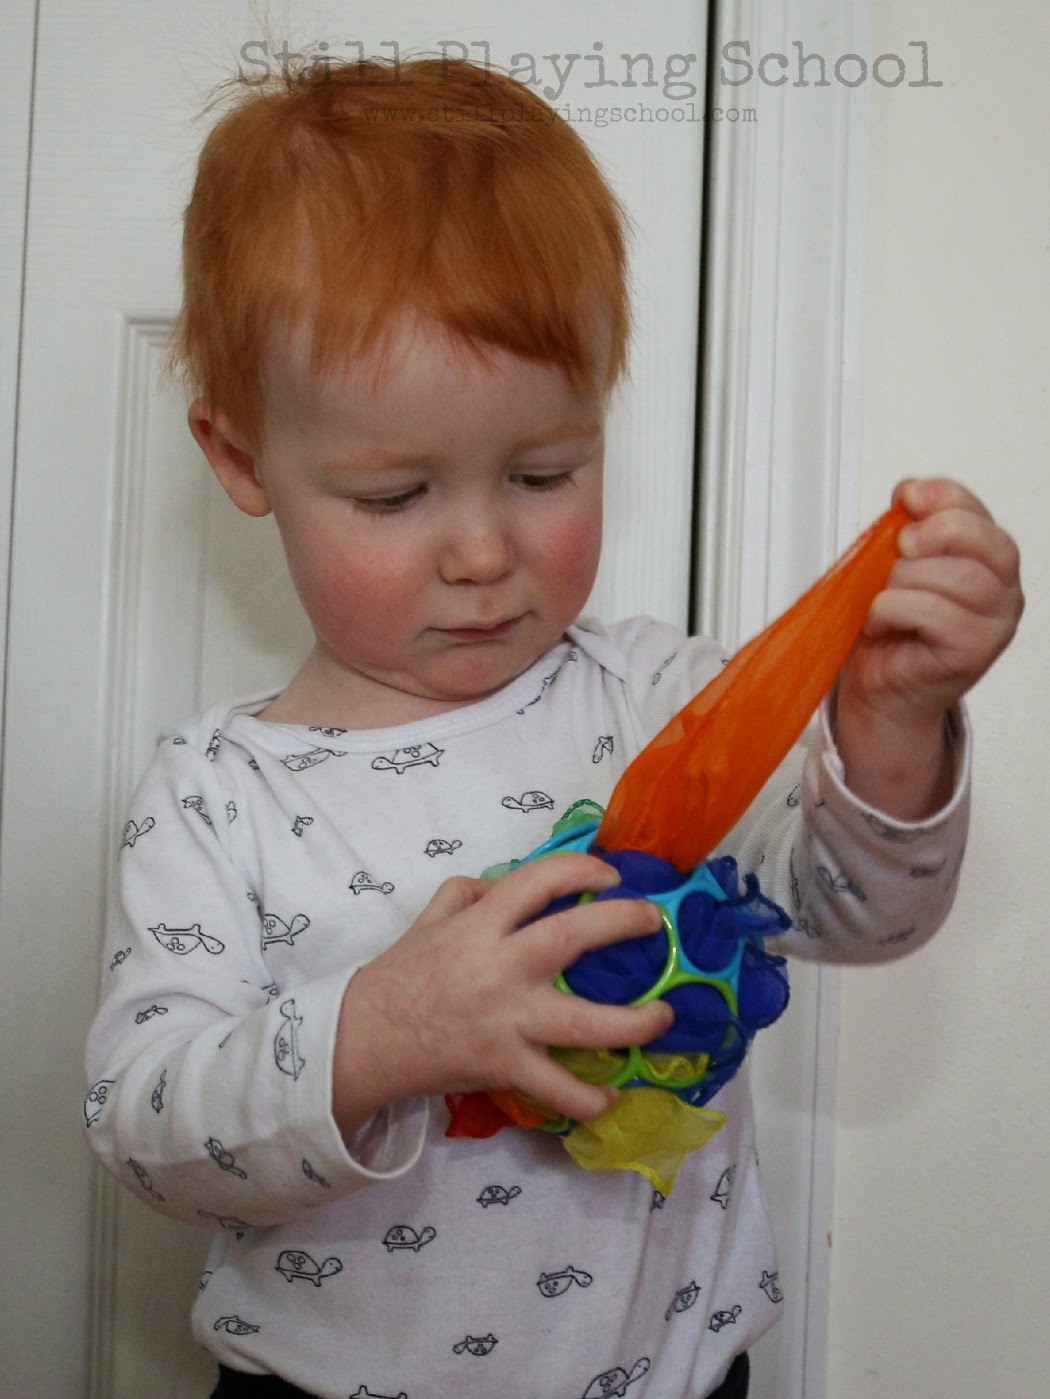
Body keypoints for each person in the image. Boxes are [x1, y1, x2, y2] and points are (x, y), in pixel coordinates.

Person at [83, 56, 1022, 1399]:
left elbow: (854, 912)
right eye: (395, 492)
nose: (480, 550)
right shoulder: (218, 795)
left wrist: (894, 719)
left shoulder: (656, 701)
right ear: (242, 461)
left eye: (542, 473)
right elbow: (145, 1126)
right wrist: (386, 1028)